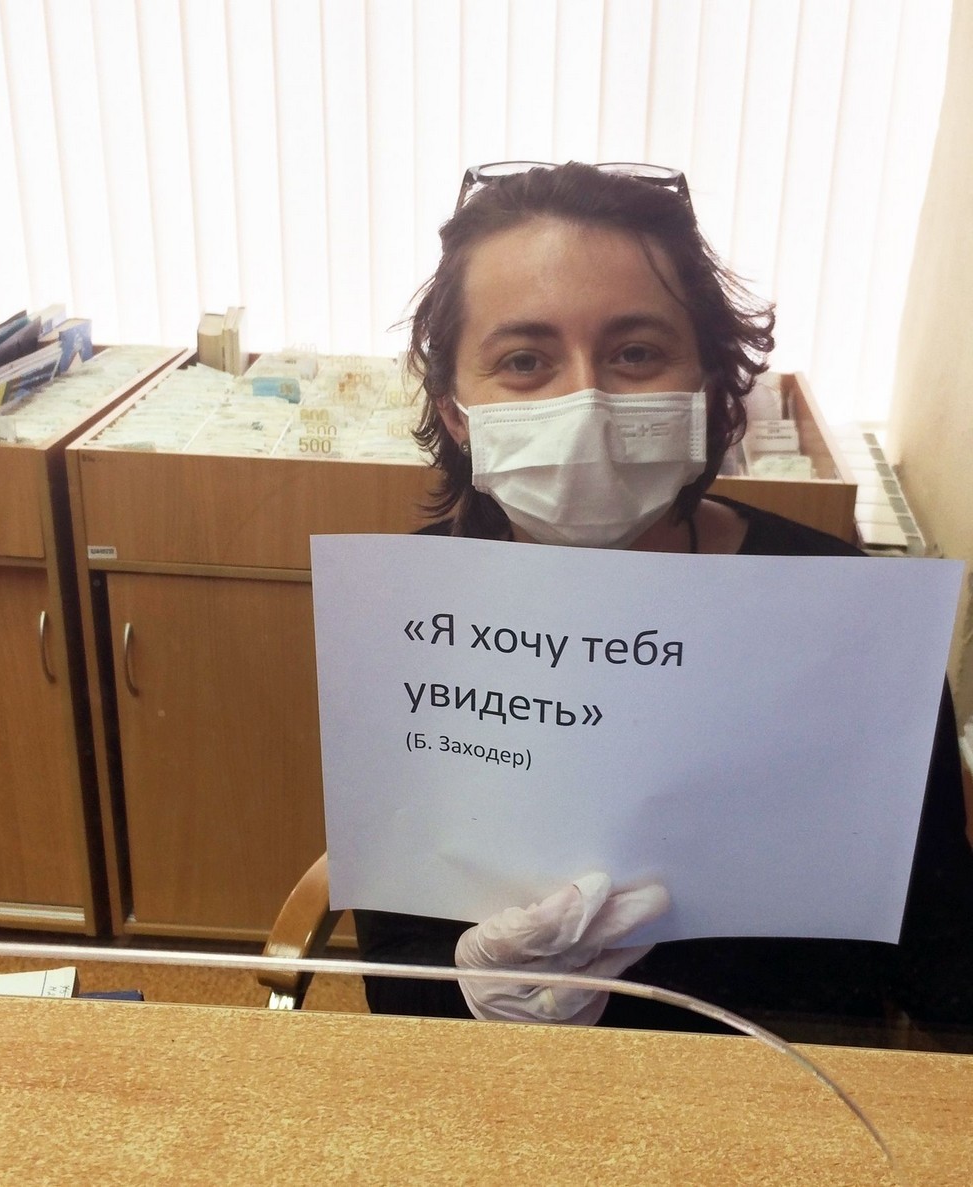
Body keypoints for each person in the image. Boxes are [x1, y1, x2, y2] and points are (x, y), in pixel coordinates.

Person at [353, 161, 973, 1044]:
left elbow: (943, 965)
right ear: (456, 411)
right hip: (507, 1084)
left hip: (793, 1083)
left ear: (709, 387)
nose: (586, 403)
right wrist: (472, 989)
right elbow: (397, 975)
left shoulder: (850, 623)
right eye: (524, 361)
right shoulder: (408, 622)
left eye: (635, 353)